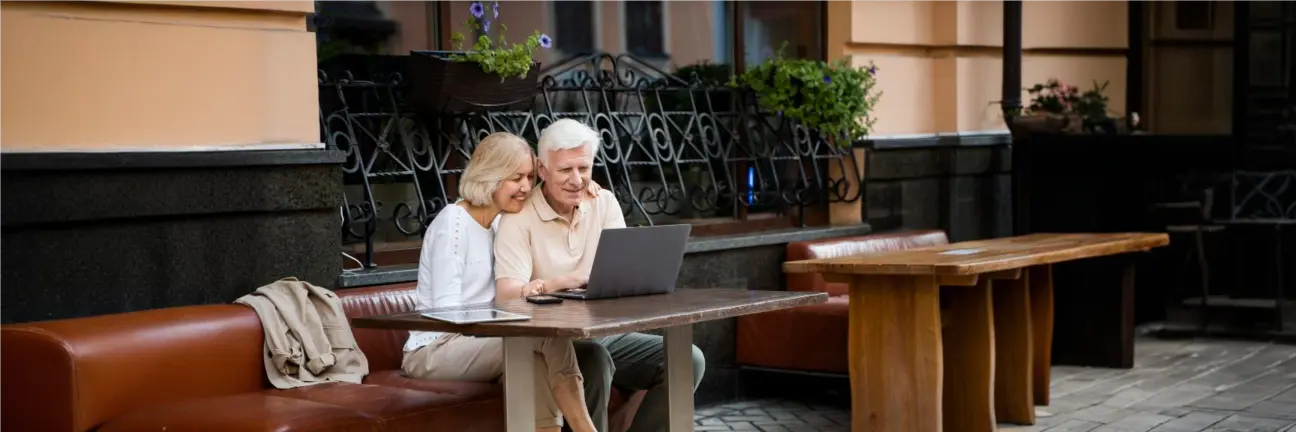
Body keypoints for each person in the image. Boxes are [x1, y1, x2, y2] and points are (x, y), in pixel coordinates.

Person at [494, 119, 707, 432]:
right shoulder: (519, 218)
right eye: (565, 170)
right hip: (553, 340)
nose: (576, 180)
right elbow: (507, 294)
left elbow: (622, 270)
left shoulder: (603, 202)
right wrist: (558, 283)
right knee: (593, 358)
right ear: (542, 169)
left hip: (603, 328)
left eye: (584, 168)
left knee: (688, 360)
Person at [401, 132, 599, 432]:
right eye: (515, 178)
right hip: (435, 348)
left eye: (530, 177)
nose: (525, 187)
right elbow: (446, 316)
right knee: (543, 338)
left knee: (533, 361)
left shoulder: (499, 223)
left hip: (481, 340)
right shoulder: (452, 222)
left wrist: (584, 188)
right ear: (489, 177)